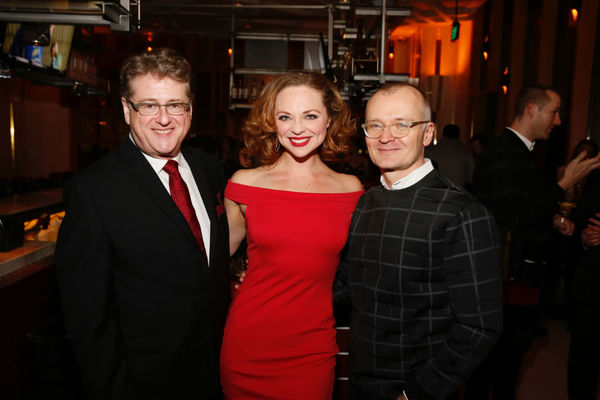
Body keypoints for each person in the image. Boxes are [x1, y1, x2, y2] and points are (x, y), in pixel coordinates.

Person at [55, 48, 231, 400]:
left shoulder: (211, 171)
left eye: (175, 105)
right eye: (149, 105)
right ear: (126, 109)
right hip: (145, 384)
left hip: (214, 376)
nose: (164, 118)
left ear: (190, 110)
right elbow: (90, 321)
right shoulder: (93, 191)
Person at [334, 83, 503, 400]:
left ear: (427, 134)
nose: (386, 137)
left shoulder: (463, 213)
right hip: (360, 381)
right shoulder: (366, 202)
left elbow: (479, 326)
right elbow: (350, 284)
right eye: (376, 126)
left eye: (401, 124)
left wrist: (417, 393)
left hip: (415, 390)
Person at [220, 71, 363, 399]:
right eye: (285, 117)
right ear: (273, 122)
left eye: (310, 116)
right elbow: (212, 259)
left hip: (311, 351)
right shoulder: (245, 184)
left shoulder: (350, 190)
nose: (297, 128)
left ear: (329, 120)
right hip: (248, 345)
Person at [470, 86, 600, 399]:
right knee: (498, 363)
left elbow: (523, 205)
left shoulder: (523, 153)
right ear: (532, 109)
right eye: (553, 112)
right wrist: (564, 184)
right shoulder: (506, 154)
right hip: (506, 275)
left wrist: (554, 220)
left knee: (508, 360)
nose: (557, 121)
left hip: (517, 274)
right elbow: (514, 216)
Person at [567, 169, 600, 400]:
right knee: (584, 355)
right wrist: (584, 236)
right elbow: (581, 223)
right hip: (592, 283)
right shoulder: (597, 184)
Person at [425, 123, 475, 187]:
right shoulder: (466, 153)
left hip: (433, 192)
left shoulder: (429, 151)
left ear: (443, 134)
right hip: (457, 193)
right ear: (458, 135)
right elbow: (470, 178)